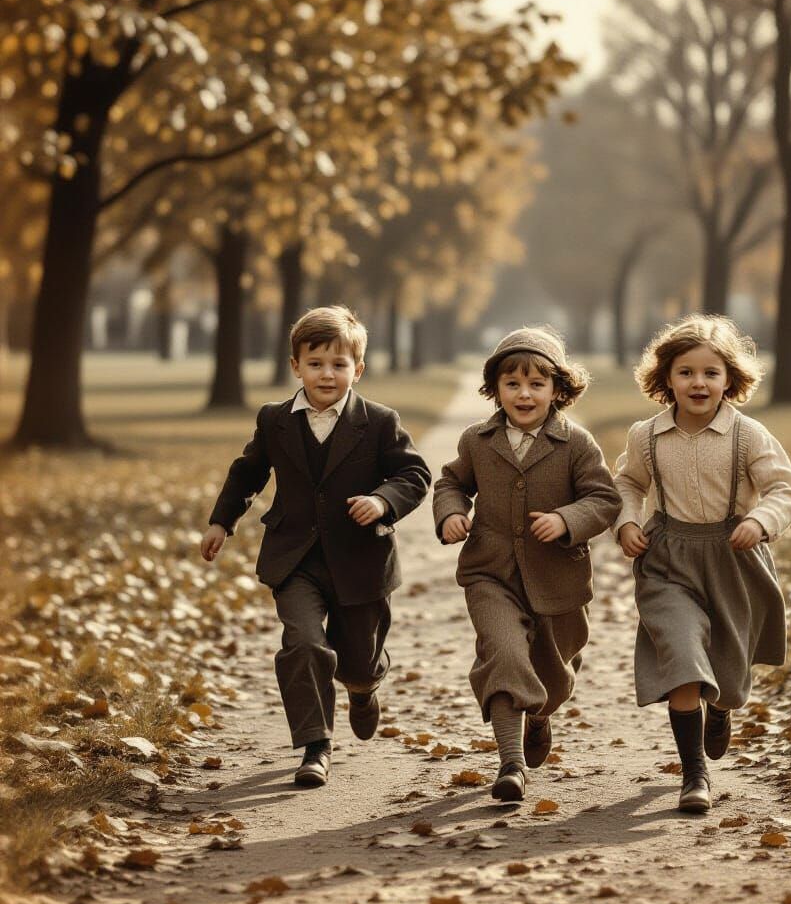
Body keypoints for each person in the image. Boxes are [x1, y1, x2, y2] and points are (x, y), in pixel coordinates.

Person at [200, 305, 430, 787]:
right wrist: (222, 521)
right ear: (296, 366)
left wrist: (382, 501)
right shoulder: (275, 420)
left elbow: (414, 474)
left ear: (357, 369)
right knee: (303, 643)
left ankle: (364, 688)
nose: (327, 374)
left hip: (361, 561)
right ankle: (315, 746)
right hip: (295, 558)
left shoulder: (379, 421)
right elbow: (248, 472)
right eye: (316, 363)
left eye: (339, 364)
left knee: (357, 662)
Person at [614, 314, 791, 813]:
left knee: (726, 676)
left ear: (729, 379)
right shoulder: (647, 436)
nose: (698, 382)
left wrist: (760, 520)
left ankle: (720, 710)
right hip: (668, 562)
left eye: (710, 373)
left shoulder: (748, 435)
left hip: (733, 559)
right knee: (682, 659)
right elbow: (628, 483)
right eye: (686, 372)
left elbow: (785, 489)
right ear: (666, 378)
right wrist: (627, 521)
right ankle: (694, 774)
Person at [433, 327, 621, 802]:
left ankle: (540, 716)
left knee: (553, 675)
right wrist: (452, 513)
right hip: (490, 573)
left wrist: (566, 519)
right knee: (504, 654)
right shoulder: (478, 440)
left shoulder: (576, 443)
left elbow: (603, 499)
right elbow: (451, 483)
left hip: (558, 577)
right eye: (512, 383)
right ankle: (510, 764)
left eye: (537, 384)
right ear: (495, 388)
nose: (524, 394)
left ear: (558, 389)